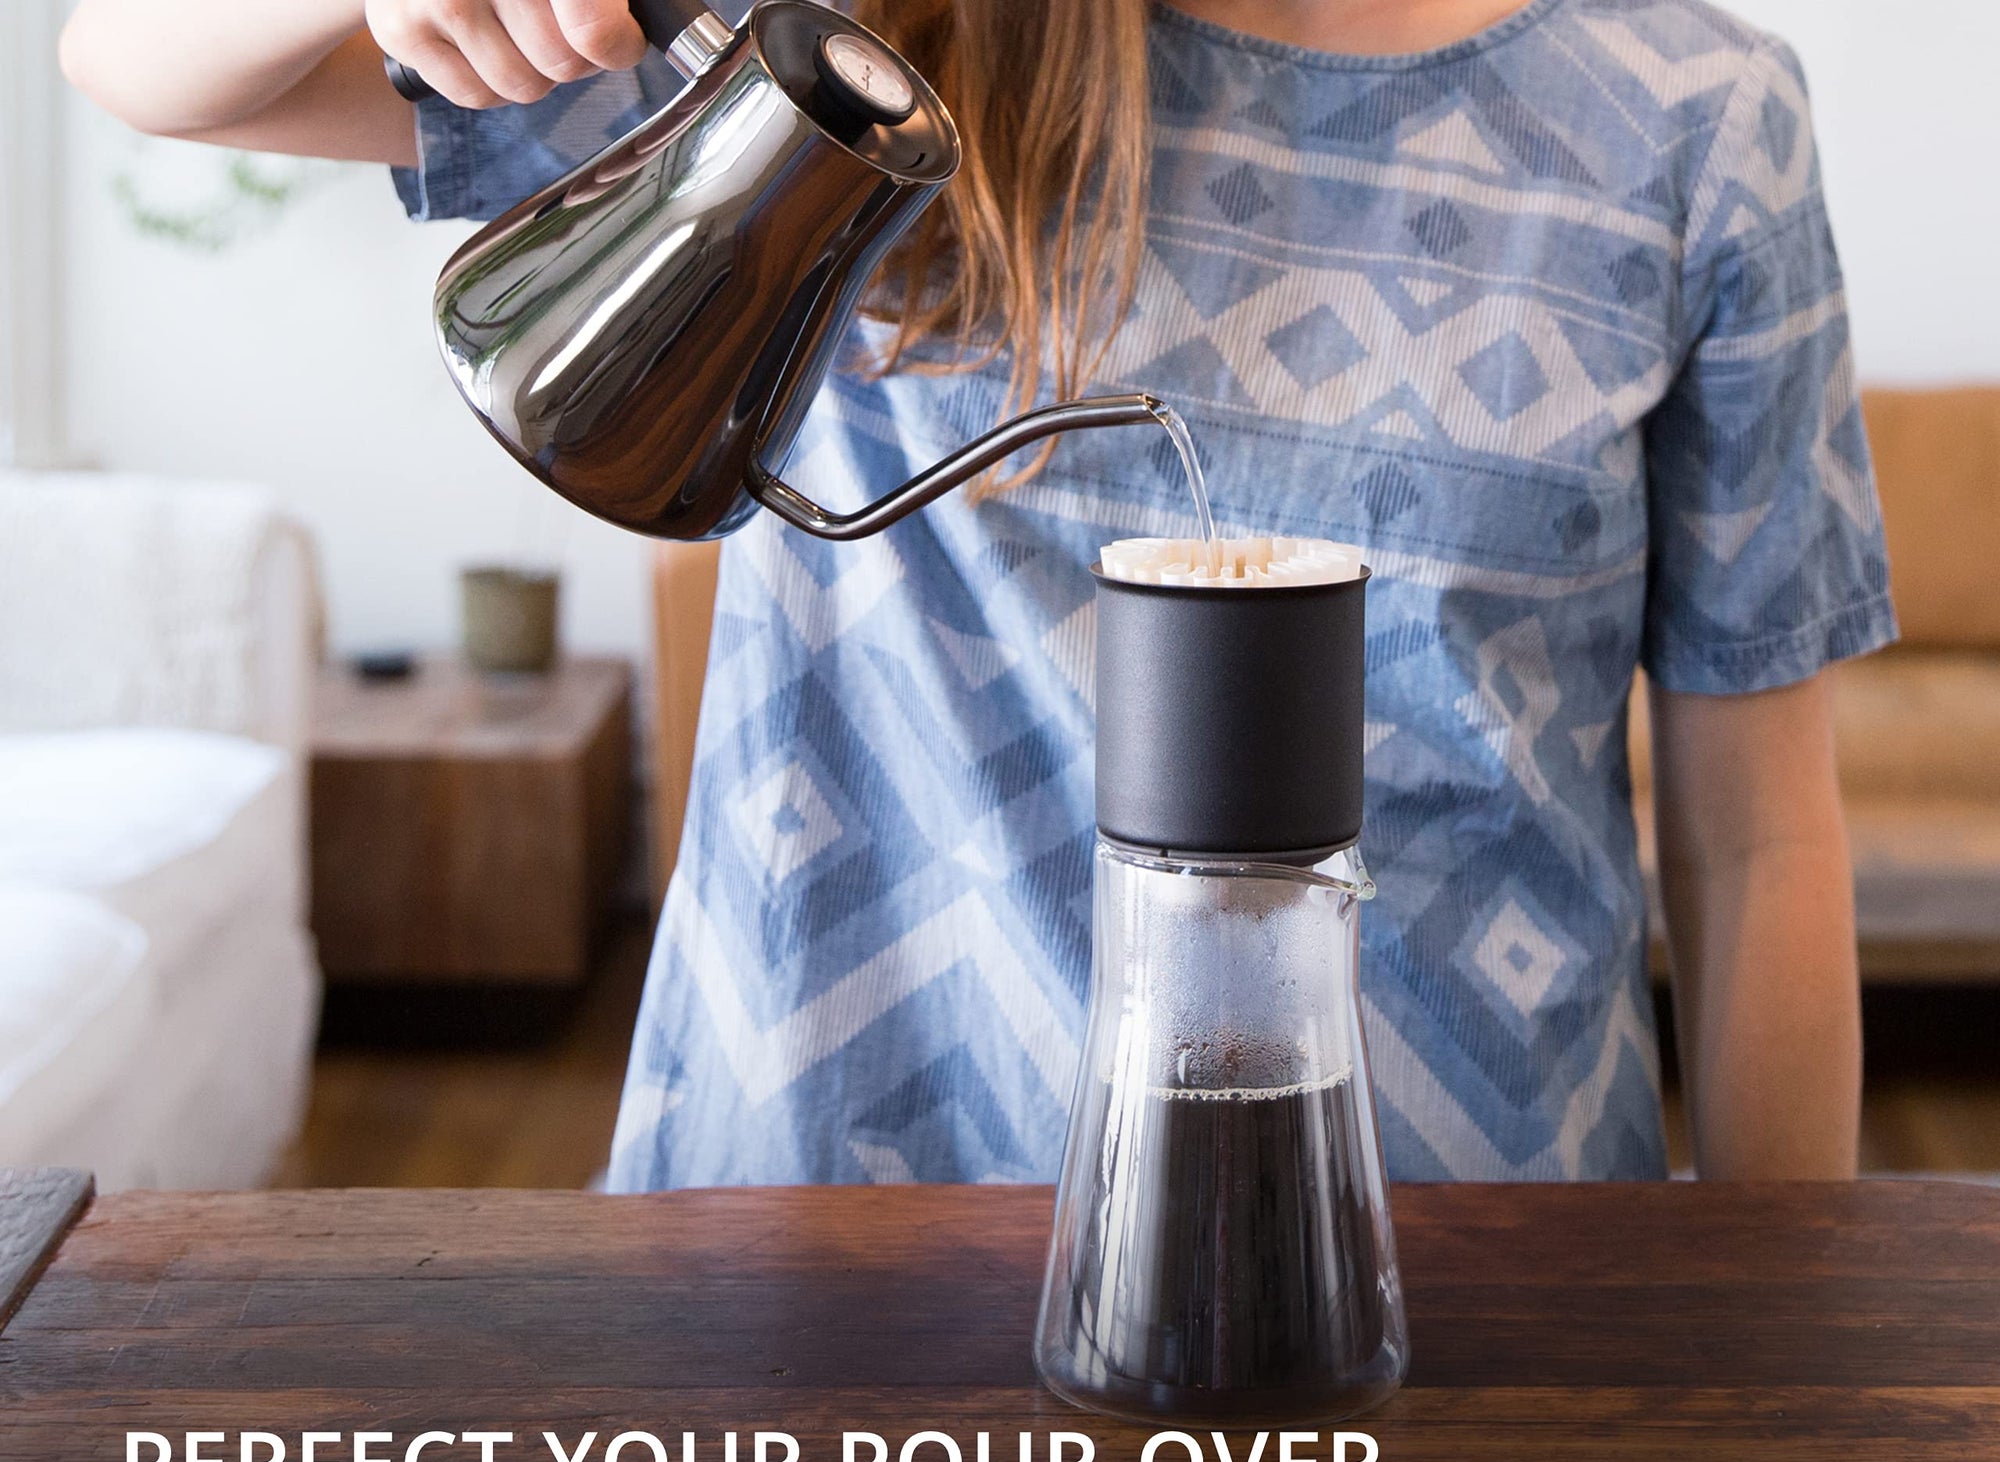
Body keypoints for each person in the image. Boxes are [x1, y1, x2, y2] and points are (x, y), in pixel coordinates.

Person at [63, 0, 1894, 1186]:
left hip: (1485, 1294)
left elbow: (1757, 853)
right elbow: (138, 64)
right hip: (805, 1261)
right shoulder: (841, 38)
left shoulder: (1698, 126)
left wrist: (1773, 1355)